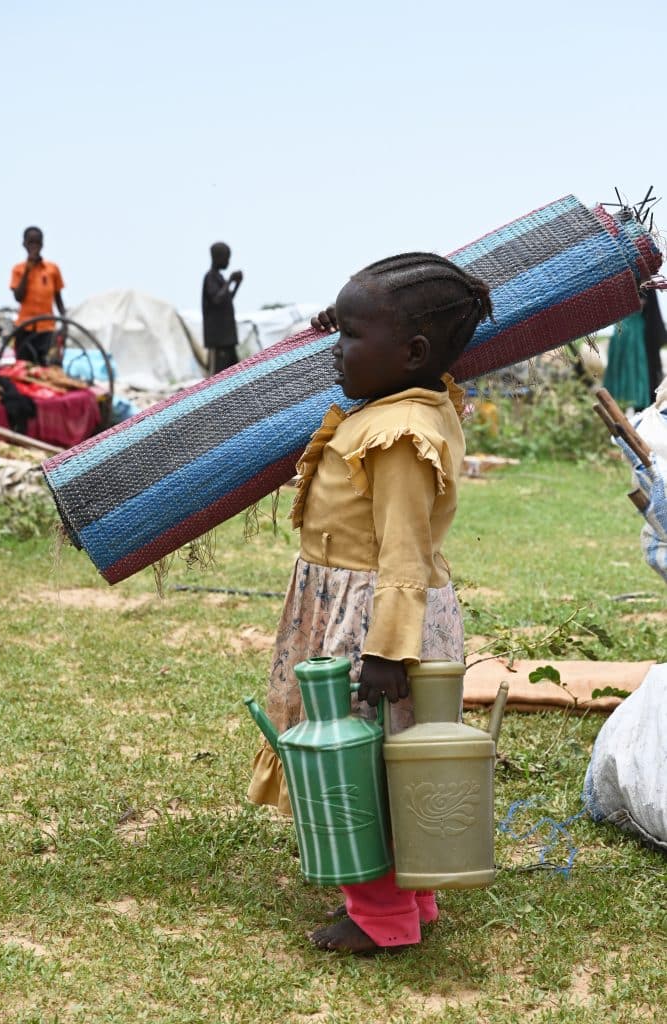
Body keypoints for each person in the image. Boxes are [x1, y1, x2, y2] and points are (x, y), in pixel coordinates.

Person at [248, 251, 492, 953]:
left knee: (363, 762)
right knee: (394, 754)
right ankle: (410, 896)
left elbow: (403, 551)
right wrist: (349, 322)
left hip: (374, 619)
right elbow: (381, 347)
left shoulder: (397, 435)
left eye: (350, 337)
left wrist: (386, 649)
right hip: (356, 605)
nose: (336, 350)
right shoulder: (413, 399)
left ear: (411, 351)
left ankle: (380, 918)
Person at [9, 226, 66, 366]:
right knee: (23, 368)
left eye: (37, 243)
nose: (34, 246)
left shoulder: (52, 269)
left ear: (42, 244)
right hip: (24, 329)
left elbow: (58, 299)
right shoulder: (18, 269)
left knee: (46, 366)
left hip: (46, 329)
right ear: (24, 244)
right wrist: (28, 270)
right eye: (30, 243)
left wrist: (65, 322)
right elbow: (18, 297)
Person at [603, 290, 667, 411]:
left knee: (634, 369)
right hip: (629, 333)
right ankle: (634, 401)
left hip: (627, 331)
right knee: (633, 369)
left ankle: (629, 402)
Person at [201, 242, 243, 375]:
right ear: (217, 258)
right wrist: (230, 281)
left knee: (233, 374)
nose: (228, 261)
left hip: (227, 340)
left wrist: (237, 284)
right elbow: (216, 300)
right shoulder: (210, 277)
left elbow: (227, 299)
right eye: (226, 258)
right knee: (218, 377)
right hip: (218, 341)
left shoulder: (219, 278)